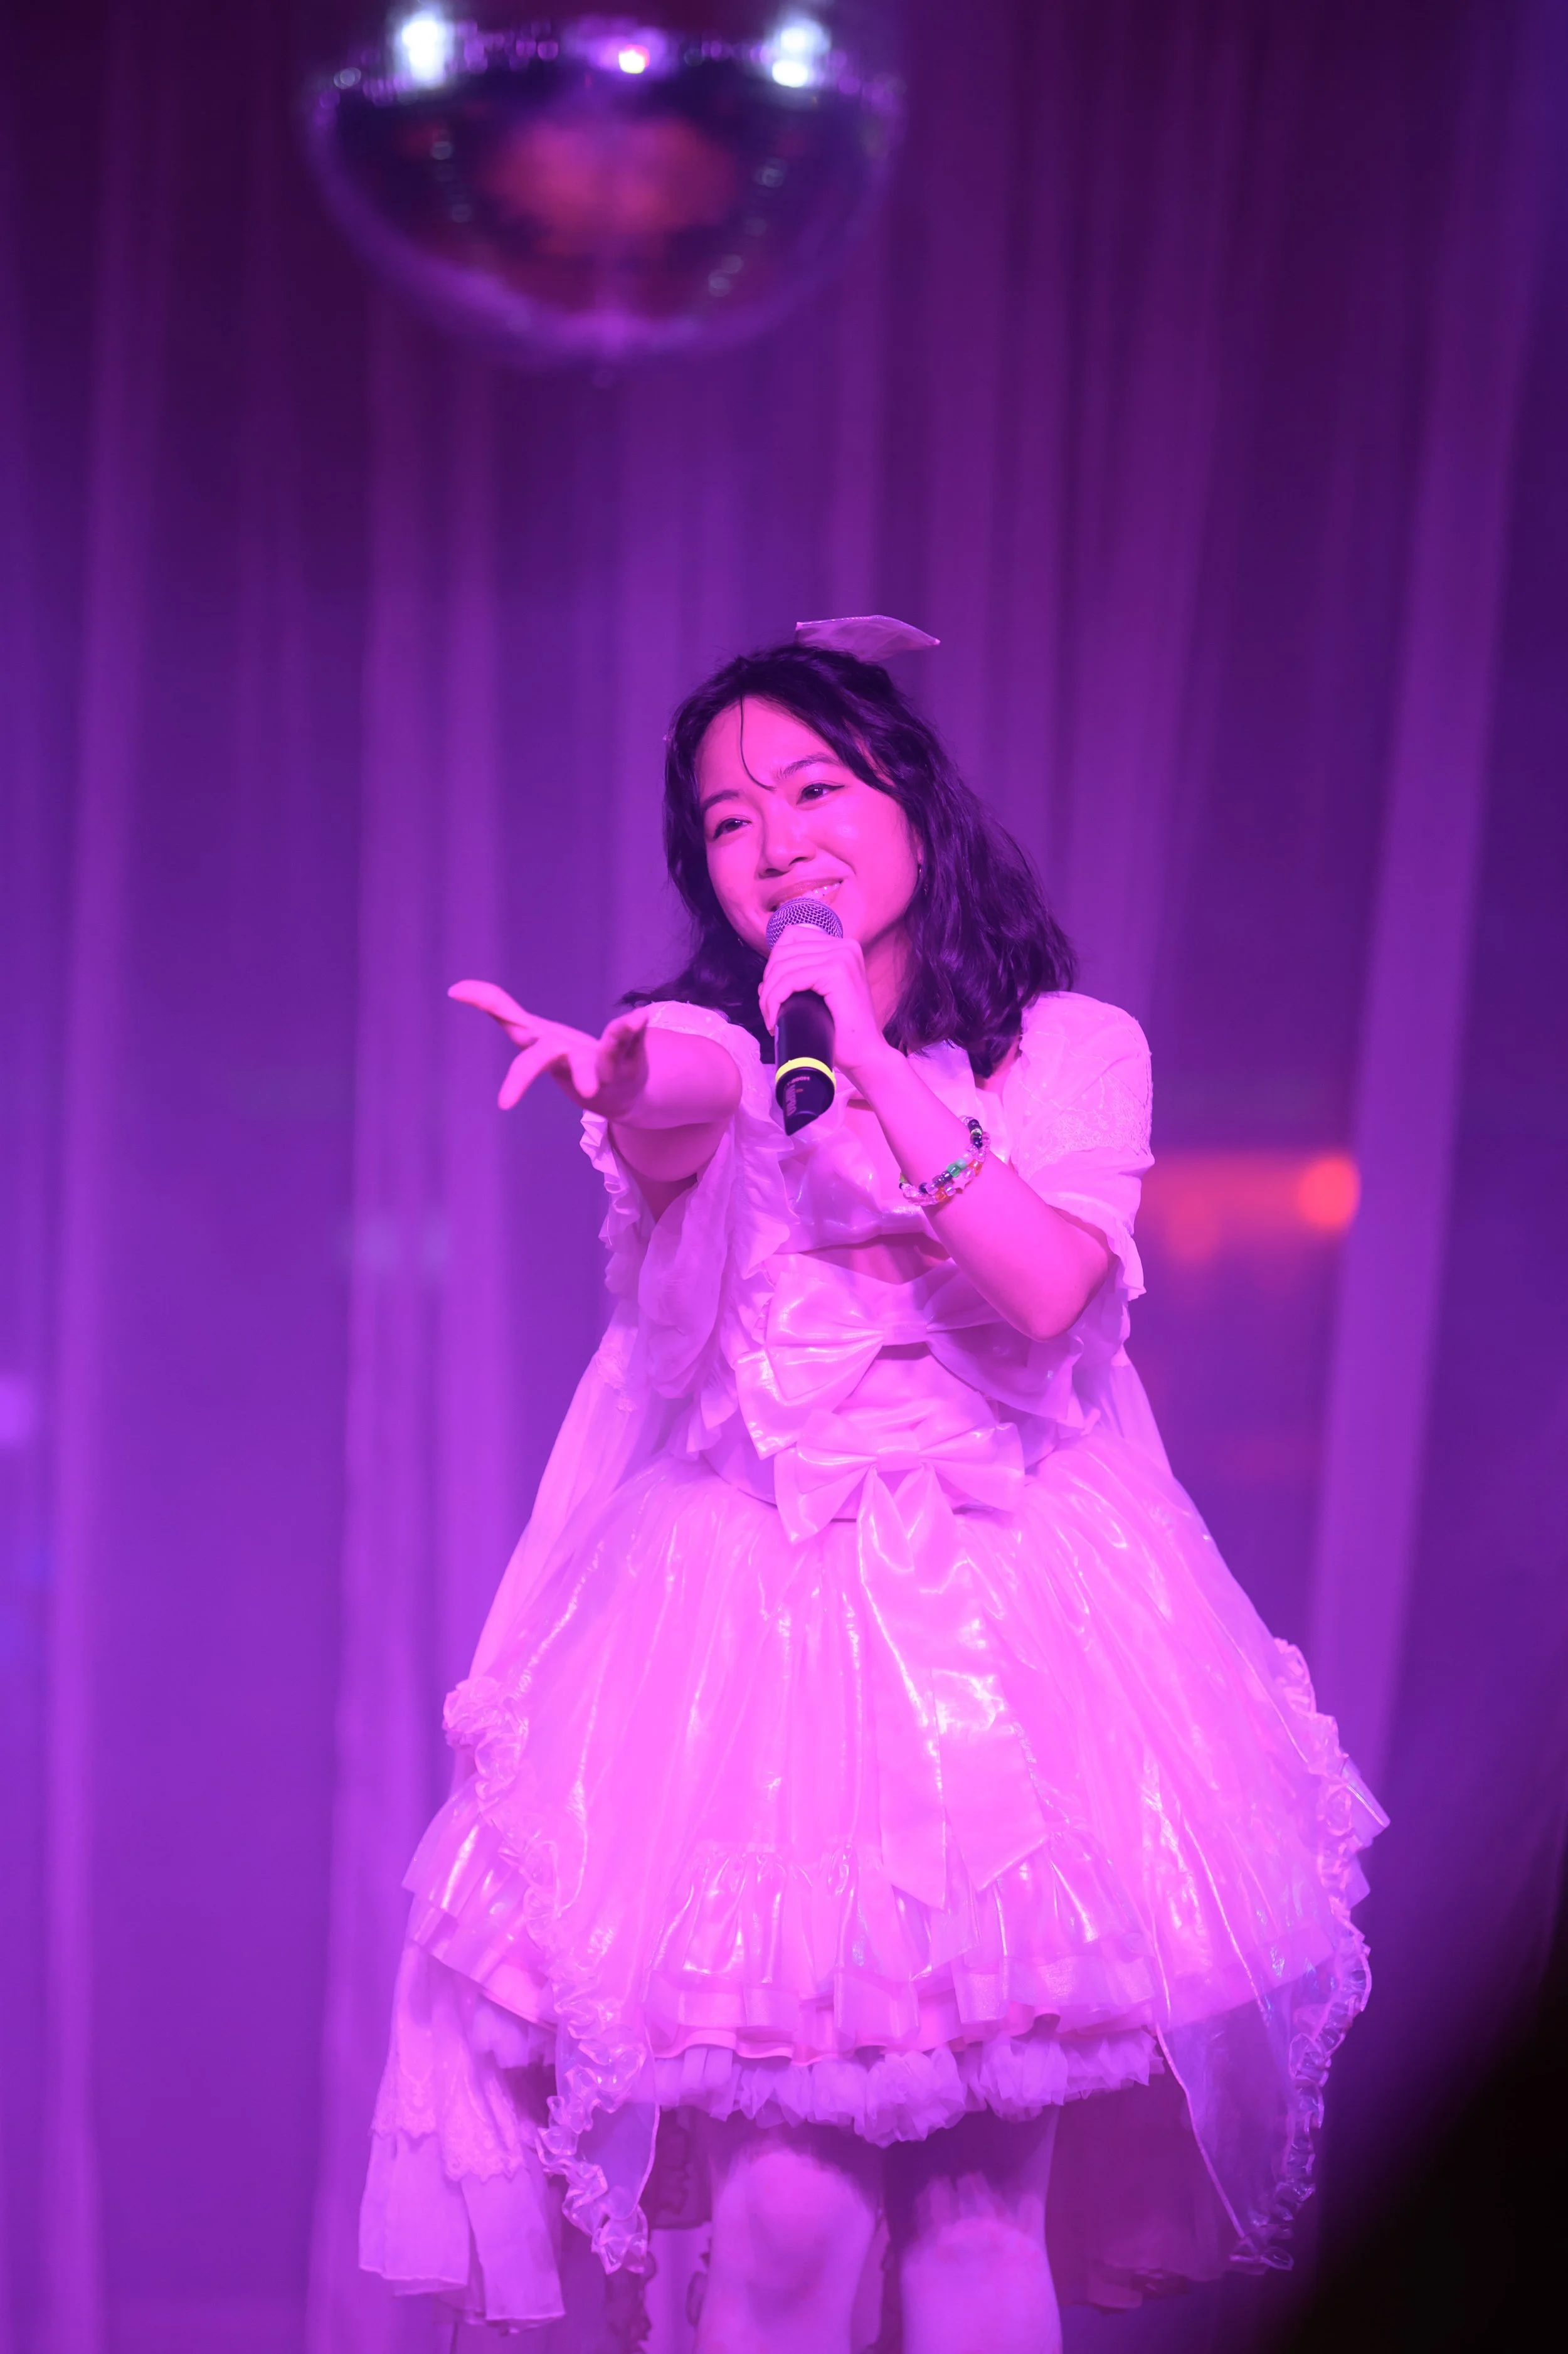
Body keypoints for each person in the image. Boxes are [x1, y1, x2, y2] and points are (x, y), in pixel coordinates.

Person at [360, 623, 1385, 2353]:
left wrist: (871, 1062)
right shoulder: (720, 1041)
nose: (775, 844)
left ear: (913, 798)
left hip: (1001, 1655)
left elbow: (1045, 1285)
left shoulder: (1070, 1049)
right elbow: (677, 1088)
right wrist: (637, 1075)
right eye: (728, 821)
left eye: (812, 791)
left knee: (984, 2226)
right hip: (756, 1652)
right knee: (778, 2216)